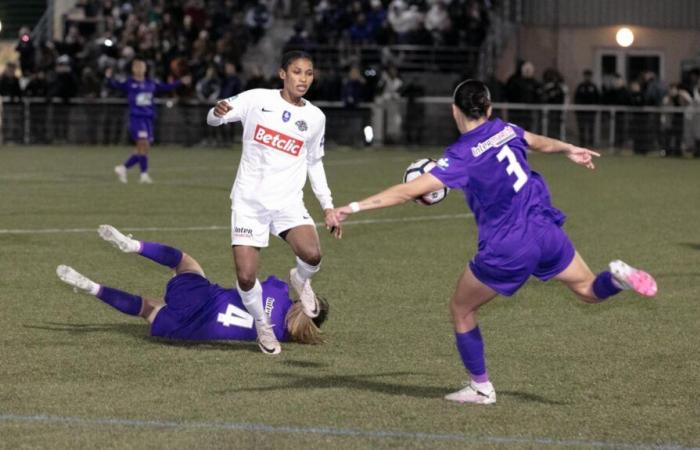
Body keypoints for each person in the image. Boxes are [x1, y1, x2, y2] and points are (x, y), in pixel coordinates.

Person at [332, 80, 657, 405]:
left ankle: (481, 388)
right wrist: (569, 148)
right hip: (544, 228)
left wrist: (354, 207)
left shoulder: (461, 156)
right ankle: (617, 278)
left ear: (454, 111)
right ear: (488, 109)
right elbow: (537, 142)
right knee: (588, 289)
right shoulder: (505, 129)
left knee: (461, 309)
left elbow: (407, 191)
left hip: (509, 245)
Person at [206, 50, 341, 356]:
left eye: (308, 73)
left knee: (312, 254)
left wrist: (328, 206)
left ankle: (300, 280)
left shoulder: (315, 117)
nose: (303, 79)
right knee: (245, 276)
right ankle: (263, 326)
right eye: (297, 72)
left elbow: (314, 163)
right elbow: (213, 120)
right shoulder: (256, 99)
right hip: (249, 201)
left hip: (287, 201)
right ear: (283, 74)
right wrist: (217, 111)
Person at [56, 225, 328, 348]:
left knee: (183, 261)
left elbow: (269, 281)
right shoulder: (281, 336)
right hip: (191, 330)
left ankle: (134, 245)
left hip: (203, 298)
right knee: (144, 307)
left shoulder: (279, 292)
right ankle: (91, 287)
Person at [106, 58, 190, 184]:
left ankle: (127, 169)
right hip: (137, 118)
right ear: (133, 69)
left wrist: (180, 82)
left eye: (142, 66)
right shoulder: (130, 83)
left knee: (144, 148)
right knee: (143, 143)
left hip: (148, 118)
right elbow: (114, 85)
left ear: (145, 69)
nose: (139, 68)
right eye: (137, 66)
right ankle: (140, 173)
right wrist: (108, 77)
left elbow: (166, 87)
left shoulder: (151, 83)